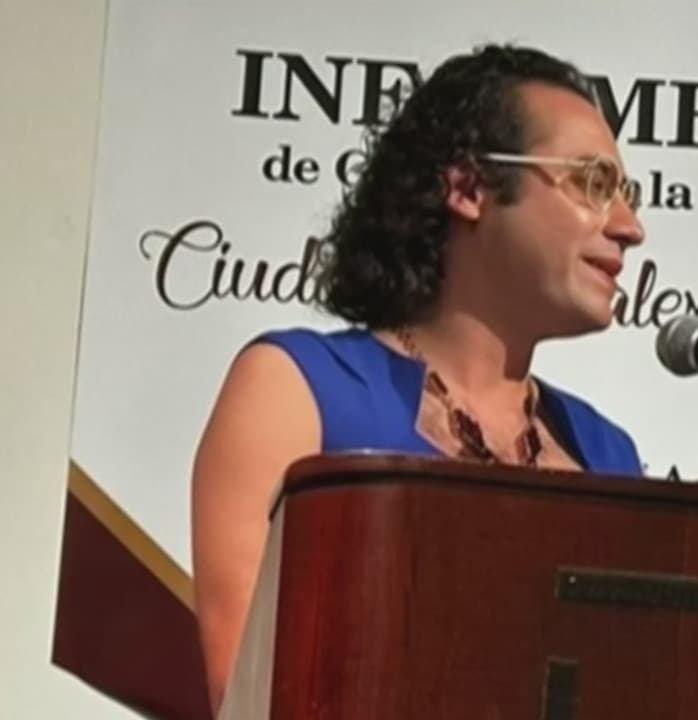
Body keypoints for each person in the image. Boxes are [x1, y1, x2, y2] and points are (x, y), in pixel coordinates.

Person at [190, 43, 645, 714]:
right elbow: (253, 697)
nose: (631, 228)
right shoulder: (297, 389)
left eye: (627, 195)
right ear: (468, 188)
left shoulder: (608, 453)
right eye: (593, 183)